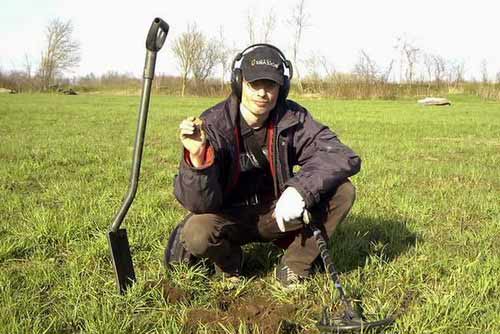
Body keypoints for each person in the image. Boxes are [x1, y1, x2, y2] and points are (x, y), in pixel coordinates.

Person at [173, 44, 361, 287]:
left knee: (343, 191)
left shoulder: (292, 117)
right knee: (196, 232)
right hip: (229, 218)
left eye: (270, 85)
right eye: (254, 85)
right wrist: (198, 158)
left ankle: (295, 265)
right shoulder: (213, 124)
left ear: (281, 88)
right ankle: (230, 265)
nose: (262, 93)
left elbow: (339, 154)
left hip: (278, 213)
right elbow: (198, 204)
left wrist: (299, 190)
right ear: (239, 83)